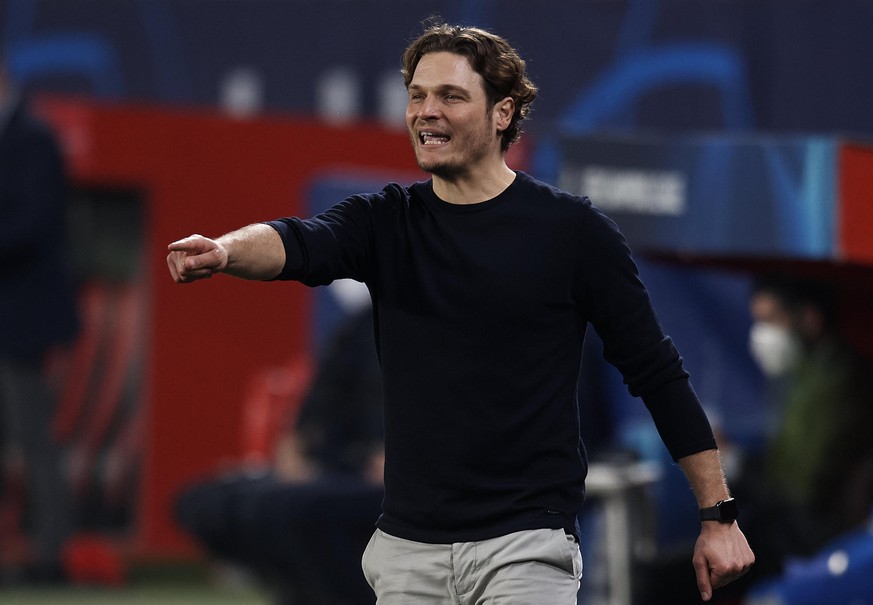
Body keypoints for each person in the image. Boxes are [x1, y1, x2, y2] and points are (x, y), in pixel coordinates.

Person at [167, 21, 753, 603]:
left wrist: (717, 513)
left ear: (503, 113)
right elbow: (299, 241)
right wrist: (224, 250)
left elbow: (657, 373)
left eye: (450, 96)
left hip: (524, 547)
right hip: (407, 555)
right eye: (417, 96)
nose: (427, 111)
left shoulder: (573, 233)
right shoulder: (386, 220)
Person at [175, 304, 384, 605]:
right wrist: (297, 445)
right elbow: (321, 401)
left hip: (396, 479)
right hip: (335, 466)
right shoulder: (364, 323)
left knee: (289, 510)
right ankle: (303, 591)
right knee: (200, 503)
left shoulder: (449, 324)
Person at [736, 276, 873, 582]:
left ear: (809, 318)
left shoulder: (838, 381)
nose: (762, 334)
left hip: (820, 539)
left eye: (771, 320)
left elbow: (800, 488)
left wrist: (737, 467)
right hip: (796, 528)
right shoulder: (803, 372)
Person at [0, 53, 79, 582]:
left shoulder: (35, 139)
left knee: (32, 437)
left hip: (21, 320)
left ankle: (50, 555)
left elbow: (32, 223)